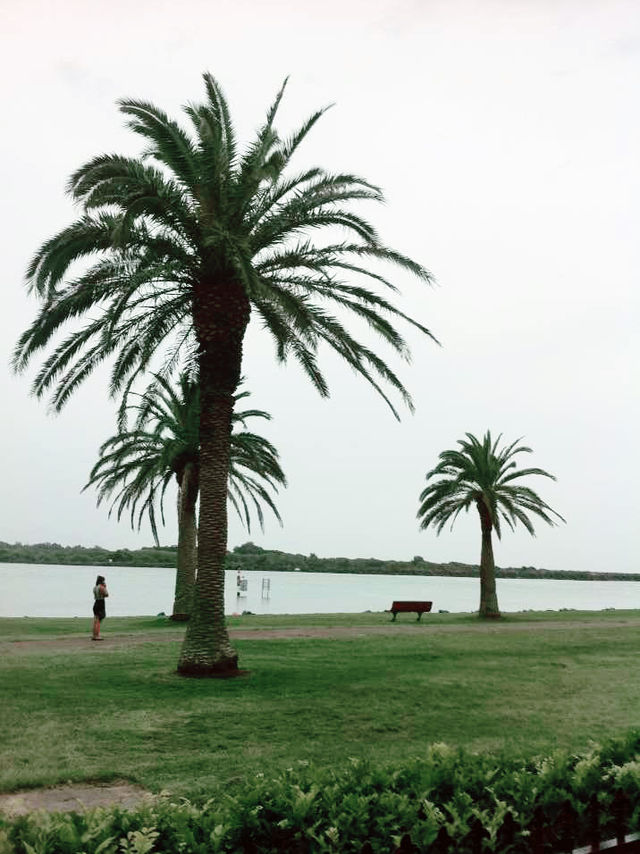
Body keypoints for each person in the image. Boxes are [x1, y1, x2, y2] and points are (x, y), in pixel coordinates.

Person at [92, 575, 109, 640]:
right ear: (101, 581)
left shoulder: (95, 587)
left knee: (96, 620)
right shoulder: (101, 587)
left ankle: (94, 635)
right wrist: (105, 587)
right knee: (98, 620)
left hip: (96, 603)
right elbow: (106, 595)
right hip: (101, 603)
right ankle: (97, 636)